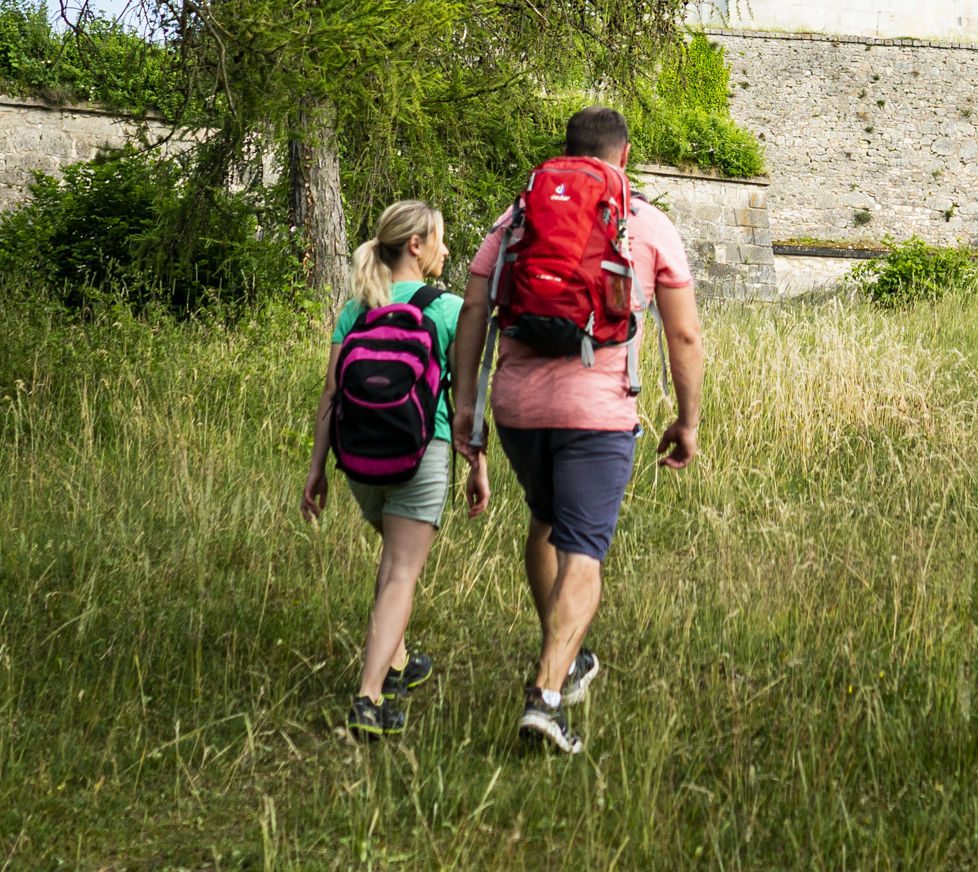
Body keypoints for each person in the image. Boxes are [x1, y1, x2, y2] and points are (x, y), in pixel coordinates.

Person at [451, 105, 705, 755]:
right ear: (623, 156)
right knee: (584, 549)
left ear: (566, 151)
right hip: (598, 410)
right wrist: (687, 418)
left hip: (516, 408)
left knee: (543, 521)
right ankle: (547, 693)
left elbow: (475, 304)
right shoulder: (645, 221)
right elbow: (683, 332)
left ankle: (564, 655)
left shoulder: (518, 216)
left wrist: (466, 406)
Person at [301, 200, 463, 740]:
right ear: (415, 245)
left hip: (359, 457)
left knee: (394, 563)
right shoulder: (447, 309)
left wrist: (317, 467)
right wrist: (478, 455)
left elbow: (330, 394)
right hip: (422, 449)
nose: (445, 248)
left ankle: (399, 662)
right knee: (399, 571)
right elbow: (466, 395)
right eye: (439, 238)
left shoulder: (355, 308)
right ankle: (369, 699)